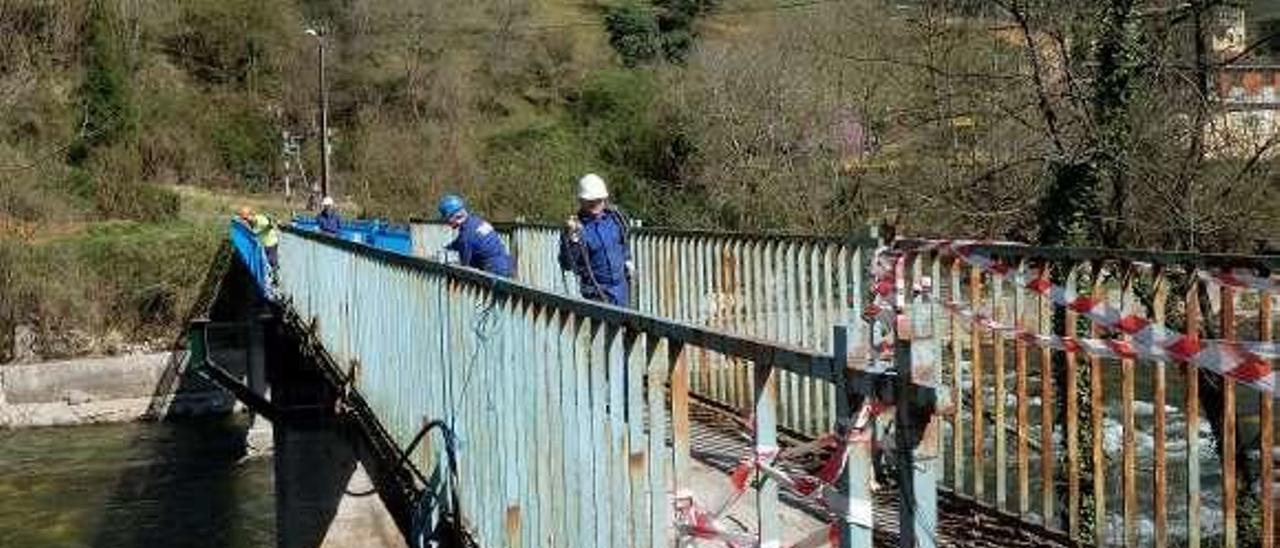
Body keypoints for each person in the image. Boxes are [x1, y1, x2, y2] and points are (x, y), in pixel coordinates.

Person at [558, 173, 633, 307]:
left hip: (621, 291)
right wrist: (572, 239)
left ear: (604, 199)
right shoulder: (575, 228)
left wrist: (627, 260)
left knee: (624, 327)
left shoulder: (616, 219)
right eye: (590, 201)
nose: (595, 204)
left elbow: (623, 242)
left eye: (598, 200)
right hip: (596, 295)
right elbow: (567, 264)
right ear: (581, 201)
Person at [438, 194, 513, 277]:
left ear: (454, 216)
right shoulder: (476, 222)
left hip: (494, 272)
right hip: (507, 266)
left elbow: (465, 266)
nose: (447, 223)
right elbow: (459, 242)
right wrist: (447, 248)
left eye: (447, 219)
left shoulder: (467, 235)